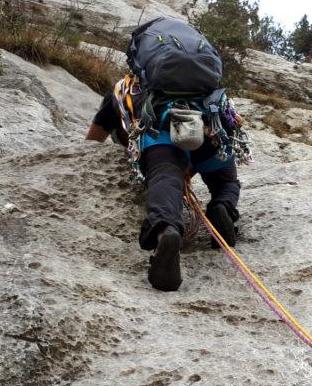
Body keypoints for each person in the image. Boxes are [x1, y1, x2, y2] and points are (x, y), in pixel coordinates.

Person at [85, 19, 248, 292]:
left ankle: (166, 233)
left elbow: (95, 136)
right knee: (226, 181)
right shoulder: (207, 91)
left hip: (162, 137)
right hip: (210, 134)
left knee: (165, 178)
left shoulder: (125, 89)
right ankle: (223, 207)